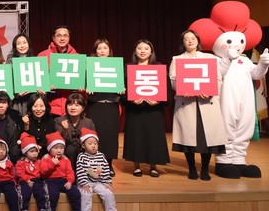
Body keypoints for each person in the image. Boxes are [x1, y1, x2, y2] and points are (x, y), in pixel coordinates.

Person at [169, 30, 227, 181]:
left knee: (207, 139)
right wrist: (183, 89)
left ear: (198, 41)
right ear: (182, 42)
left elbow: (218, 79)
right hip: (186, 103)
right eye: (186, 39)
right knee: (188, 139)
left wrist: (210, 91)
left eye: (192, 38)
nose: (190, 41)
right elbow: (173, 81)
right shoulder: (177, 59)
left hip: (207, 102)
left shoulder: (210, 58)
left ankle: (205, 169)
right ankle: (192, 168)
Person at [123, 39, 170, 177]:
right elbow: (121, 90)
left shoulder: (159, 67)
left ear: (151, 52)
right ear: (135, 51)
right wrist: (130, 99)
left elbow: (167, 88)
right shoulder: (127, 68)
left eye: (146, 48)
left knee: (153, 137)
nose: (142, 51)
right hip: (135, 110)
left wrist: (159, 100)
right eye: (139, 48)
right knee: (136, 137)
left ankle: (153, 166)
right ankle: (136, 166)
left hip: (154, 110)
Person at [86, 39, 122, 177]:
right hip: (95, 105)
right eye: (99, 48)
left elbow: (123, 83)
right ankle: (94, 164)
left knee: (110, 136)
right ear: (95, 51)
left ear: (109, 50)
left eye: (105, 48)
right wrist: (86, 88)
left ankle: (109, 164)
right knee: (95, 135)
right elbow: (83, 83)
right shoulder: (89, 66)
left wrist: (122, 88)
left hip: (111, 105)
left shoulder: (116, 66)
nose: (102, 51)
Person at [76, 129, 122, 211]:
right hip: (86, 183)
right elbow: (80, 171)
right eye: (90, 144)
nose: (93, 146)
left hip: (98, 182)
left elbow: (105, 169)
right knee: (86, 195)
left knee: (109, 193)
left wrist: (106, 182)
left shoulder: (101, 156)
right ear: (83, 145)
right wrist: (84, 184)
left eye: (95, 143)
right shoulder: (82, 157)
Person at [39, 132, 82, 211]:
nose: (59, 150)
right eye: (56, 148)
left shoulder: (65, 159)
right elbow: (43, 172)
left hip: (63, 181)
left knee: (75, 192)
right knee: (53, 194)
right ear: (49, 148)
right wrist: (52, 164)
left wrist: (70, 181)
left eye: (62, 148)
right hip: (50, 180)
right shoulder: (45, 158)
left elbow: (70, 172)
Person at [37, 26, 79, 117]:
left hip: (70, 106)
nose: (62, 38)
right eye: (59, 36)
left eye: (65, 36)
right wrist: (45, 86)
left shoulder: (76, 57)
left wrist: (82, 86)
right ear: (53, 38)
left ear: (69, 38)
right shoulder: (43, 55)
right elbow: (38, 81)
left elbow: (81, 83)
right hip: (50, 106)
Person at [55, 93, 96, 171]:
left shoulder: (88, 122)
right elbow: (58, 142)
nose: (73, 108)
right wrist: (64, 130)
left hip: (84, 151)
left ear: (83, 108)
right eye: (70, 104)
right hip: (66, 152)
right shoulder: (59, 120)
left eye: (77, 105)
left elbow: (93, 140)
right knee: (71, 149)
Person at [15, 133, 47, 211]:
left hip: (36, 180)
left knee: (40, 192)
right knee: (25, 193)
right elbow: (20, 173)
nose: (34, 153)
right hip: (25, 181)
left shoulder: (39, 162)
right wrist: (27, 180)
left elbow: (43, 171)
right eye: (31, 151)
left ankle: (42, 210)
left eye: (36, 151)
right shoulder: (20, 162)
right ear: (25, 152)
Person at [5, 33, 36, 116]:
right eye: (18, 44)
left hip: (31, 97)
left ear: (29, 44)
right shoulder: (10, 60)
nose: (22, 46)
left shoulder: (34, 60)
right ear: (15, 46)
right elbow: (8, 80)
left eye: (24, 43)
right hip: (17, 99)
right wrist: (16, 93)